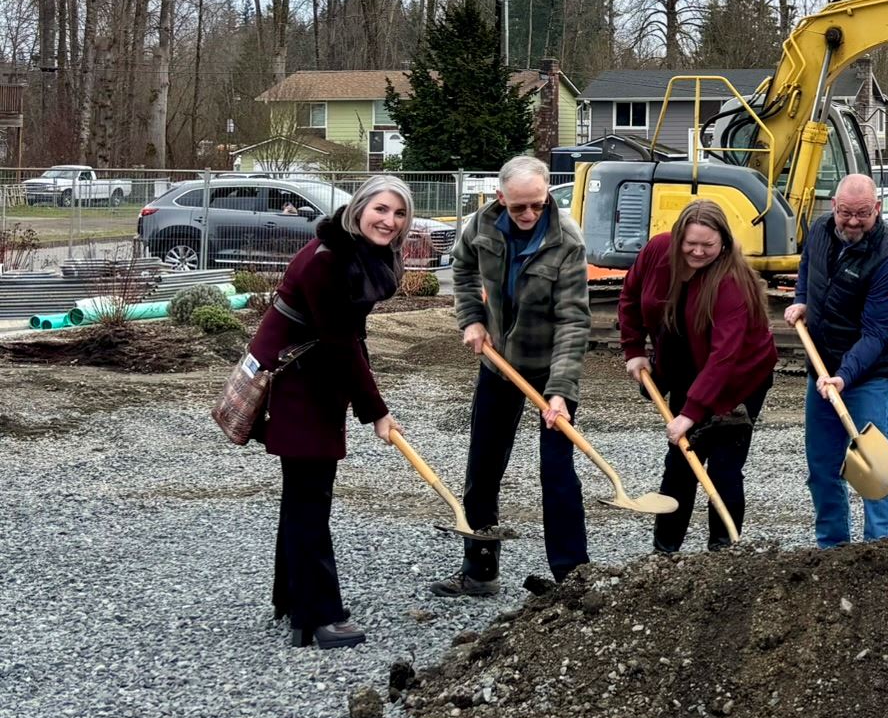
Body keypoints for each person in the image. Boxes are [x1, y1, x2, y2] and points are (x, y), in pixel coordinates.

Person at [250, 174, 414, 649]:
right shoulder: (328, 261)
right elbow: (341, 344)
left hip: (313, 375)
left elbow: (346, 340)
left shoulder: (355, 252)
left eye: (399, 213)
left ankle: (292, 600)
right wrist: (377, 412)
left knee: (301, 493)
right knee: (310, 497)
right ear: (359, 208)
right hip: (295, 381)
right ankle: (319, 615)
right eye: (381, 209)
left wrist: (368, 402)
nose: (389, 221)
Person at [435, 155, 592, 599]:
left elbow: (574, 322)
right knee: (483, 467)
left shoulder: (568, 243)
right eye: (519, 206)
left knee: (556, 470)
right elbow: (462, 270)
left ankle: (572, 577)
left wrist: (559, 393)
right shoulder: (481, 227)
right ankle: (480, 572)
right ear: (501, 198)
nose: (528, 216)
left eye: (537, 206)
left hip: (550, 368)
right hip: (499, 363)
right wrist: (471, 318)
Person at [620, 199, 776, 552]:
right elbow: (630, 296)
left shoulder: (731, 282)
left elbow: (725, 356)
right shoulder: (658, 252)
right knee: (680, 461)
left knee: (723, 465)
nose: (698, 251)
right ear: (678, 238)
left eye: (708, 245)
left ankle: (723, 552)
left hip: (739, 377)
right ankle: (665, 552)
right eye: (691, 243)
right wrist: (633, 350)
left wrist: (689, 415)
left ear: (723, 242)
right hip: (688, 367)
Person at [785, 173, 888, 546]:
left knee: (873, 471)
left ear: (877, 208)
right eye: (845, 213)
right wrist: (802, 298)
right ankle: (832, 550)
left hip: (867, 377)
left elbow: (877, 334)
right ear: (834, 207)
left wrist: (843, 377)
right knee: (823, 469)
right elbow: (808, 268)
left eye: (862, 214)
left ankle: (881, 550)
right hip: (821, 372)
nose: (853, 222)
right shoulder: (822, 229)